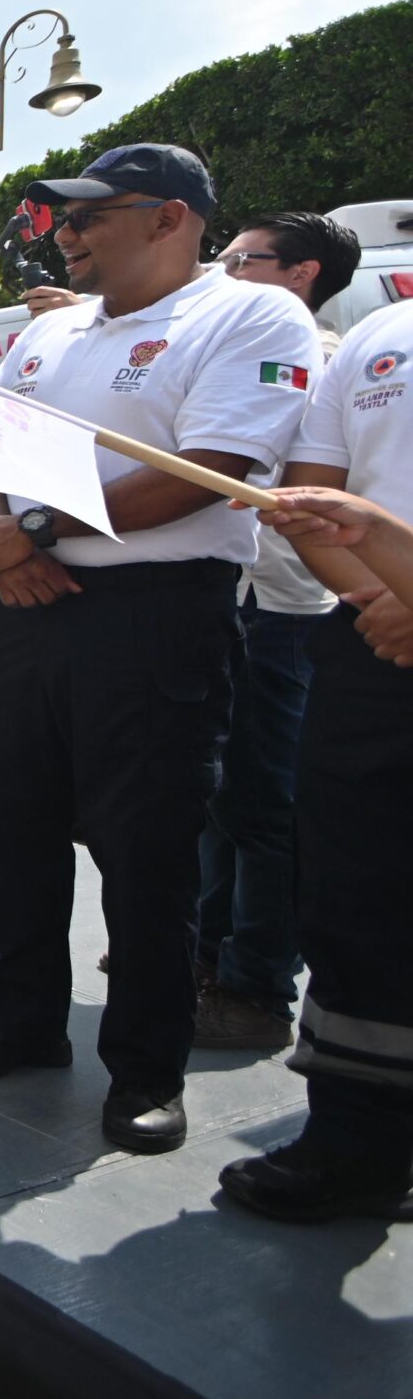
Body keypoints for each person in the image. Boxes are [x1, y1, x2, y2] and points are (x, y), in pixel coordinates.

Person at [0, 145, 319, 1154]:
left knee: (146, 847)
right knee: (8, 820)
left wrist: (36, 532)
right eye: (64, 218)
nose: (66, 233)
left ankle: (145, 1068)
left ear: (170, 220)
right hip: (25, 604)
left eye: (89, 215)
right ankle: (21, 1015)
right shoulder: (51, 333)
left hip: (156, 611)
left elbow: (212, 470)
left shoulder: (248, 314)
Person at [212, 296, 413, 1219]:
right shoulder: (378, 338)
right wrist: (390, 600)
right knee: (353, 891)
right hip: (375, 643)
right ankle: (354, 1137)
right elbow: (314, 495)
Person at [190, 211, 362, 1051]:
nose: (222, 272)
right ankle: (206, 955)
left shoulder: (324, 365)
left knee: (265, 805)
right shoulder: (232, 347)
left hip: (288, 609)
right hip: (232, 597)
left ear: (303, 274)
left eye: (240, 259)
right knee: (217, 796)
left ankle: (257, 984)